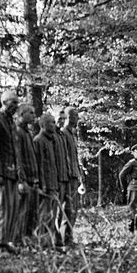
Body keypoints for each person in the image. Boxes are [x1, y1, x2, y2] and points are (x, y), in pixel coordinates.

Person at [0, 90, 20, 257]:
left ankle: (7, 241)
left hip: (13, 173)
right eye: (13, 103)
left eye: (17, 103)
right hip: (1, 173)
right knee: (2, 209)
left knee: (12, 208)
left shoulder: (10, 122)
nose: (16, 106)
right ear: (4, 102)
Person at [33, 114, 61, 247]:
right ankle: (41, 243)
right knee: (43, 216)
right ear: (43, 125)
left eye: (54, 122)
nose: (54, 125)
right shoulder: (38, 141)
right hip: (45, 186)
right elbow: (39, 165)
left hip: (53, 184)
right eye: (51, 123)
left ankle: (49, 243)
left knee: (52, 215)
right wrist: (42, 185)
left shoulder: (51, 141)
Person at [14, 104, 39, 244]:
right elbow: (18, 158)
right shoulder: (18, 132)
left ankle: (28, 240)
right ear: (22, 114)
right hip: (25, 181)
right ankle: (18, 241)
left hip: (32, 180)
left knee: (32, 213)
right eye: (31, 113)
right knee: (22, 214)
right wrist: (20, 180)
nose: (34, 116)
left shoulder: (27, 133)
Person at [60, 106, 84, 246]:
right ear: (69, 117)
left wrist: (79, 175)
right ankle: (64, 239)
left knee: (74, 208)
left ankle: (69, 238)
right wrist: (69, 173)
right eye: (75, 116)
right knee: (67, 208)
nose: (78, 119)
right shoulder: (63, 133)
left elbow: (74, 157)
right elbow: (65, 156)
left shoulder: (72, 134)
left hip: (74, 175)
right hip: (68, 176)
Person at [118, 144, 137, 231]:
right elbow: (121, 175)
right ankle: (131, 229)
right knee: (132, 208)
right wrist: (124, 187)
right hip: (134, 187)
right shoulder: (131, 163)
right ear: (133, 153)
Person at [53, 109, 71, 247]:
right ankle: (54, 239)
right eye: (59, 118)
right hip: (54, 178)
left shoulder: (62, 135)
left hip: (65, 177)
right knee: (54, 211)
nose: (61, 121)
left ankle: (64, 238)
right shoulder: (50, 135)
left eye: (63, 119)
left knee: (65, 209)